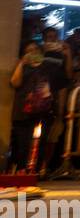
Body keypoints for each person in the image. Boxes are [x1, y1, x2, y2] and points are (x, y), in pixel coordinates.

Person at [8, 42, 60, 173]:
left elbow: (60, 80)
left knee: (40, 143)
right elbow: (15, 82)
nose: (32, 53)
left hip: (43, 110)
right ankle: (21, 173)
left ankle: (35, 173)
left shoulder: (48, 66)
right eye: (28, 51)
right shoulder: (23, 66)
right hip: (23, 111)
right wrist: (22, 63)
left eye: (36, 50)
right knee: (21, 144)